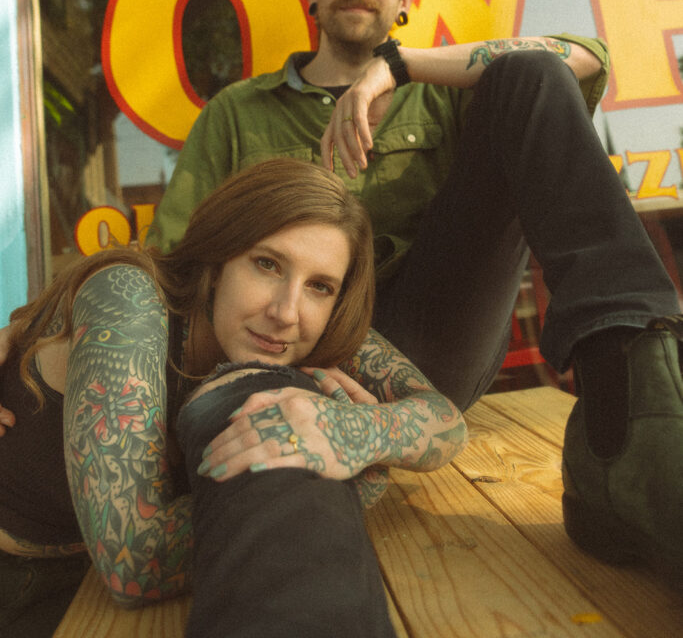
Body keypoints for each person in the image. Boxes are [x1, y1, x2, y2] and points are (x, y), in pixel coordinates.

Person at [147, 0, 683, 582]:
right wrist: (39, 330)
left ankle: (629, 413)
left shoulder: (439, 94)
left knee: (526, 73)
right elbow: (166, 261)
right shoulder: (236, 110)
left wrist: (399, 68)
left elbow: (580, 58)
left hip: (427, 344)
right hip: (289, 354)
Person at [0, 158, 465, 637]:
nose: (287, 311)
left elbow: (443, 417)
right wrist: (365, 477)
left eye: (319, 287)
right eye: (267, 264)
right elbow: (135, 564)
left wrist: (359, 432)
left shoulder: (311, 331)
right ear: (218, 261)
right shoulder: (130, 298)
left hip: (86, 581)